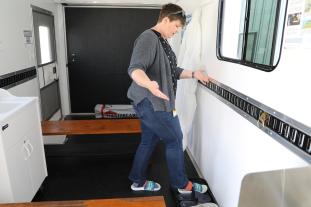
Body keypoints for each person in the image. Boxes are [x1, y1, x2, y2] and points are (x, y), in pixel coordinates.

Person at [127, 3, 209, 193]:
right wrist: (149, 84)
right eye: (176, 26)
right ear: (165, 19)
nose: (177, 30)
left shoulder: (163, 41)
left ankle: (137, 181)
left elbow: (173, 71)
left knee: (148, 141)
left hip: (152, 102)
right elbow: (135, 68)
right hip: (152, 103)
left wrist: (195, 74)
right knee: (175, 139)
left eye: (180, 28)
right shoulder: (148, 38)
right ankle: (183, 185)